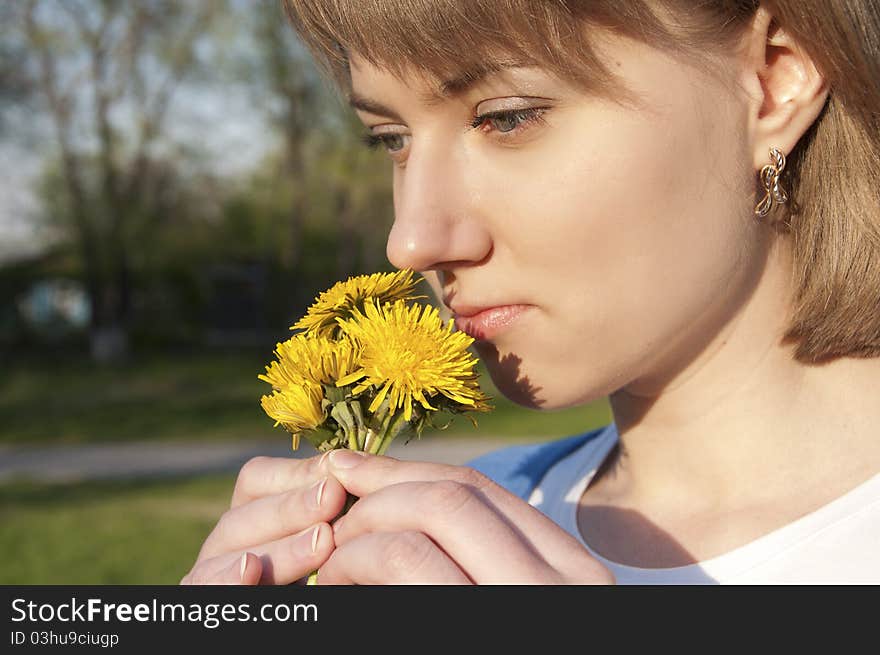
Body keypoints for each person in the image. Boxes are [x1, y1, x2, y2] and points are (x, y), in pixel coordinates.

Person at [182, 0, 880, 584]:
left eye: (507, 117)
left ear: (773, 79)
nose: (412, 241)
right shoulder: (442, 539)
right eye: (391, 139)